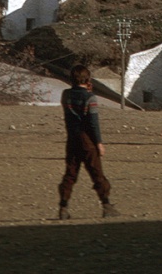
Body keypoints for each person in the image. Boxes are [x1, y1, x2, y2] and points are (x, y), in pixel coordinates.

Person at [57, 64, 117, 219]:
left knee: (70, 172)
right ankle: (106, 205)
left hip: (72, 138)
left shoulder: (66, 95)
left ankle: (63, 206)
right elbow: (93, 122)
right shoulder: (90, 98)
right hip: (87, 139)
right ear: (88, 79)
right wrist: (99, 142)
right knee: (97, 172)